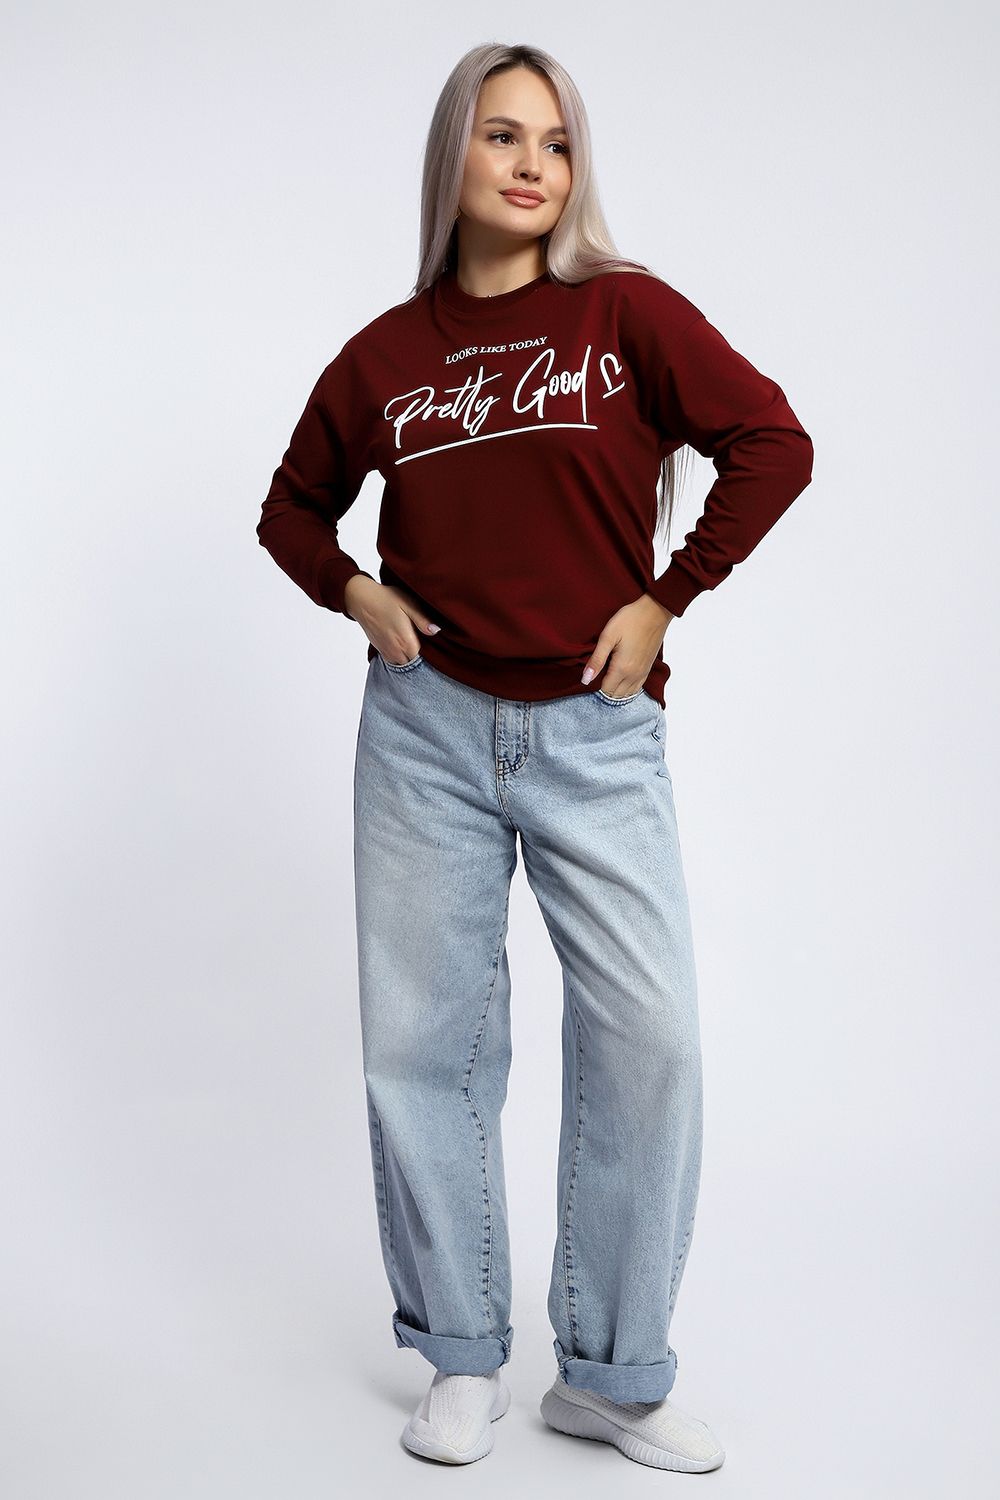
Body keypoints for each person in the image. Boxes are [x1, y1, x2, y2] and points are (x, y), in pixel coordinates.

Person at [256, 42, 813, 1472]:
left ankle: (612, 1375)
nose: (531, 165)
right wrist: (357, 593)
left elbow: (773, 440)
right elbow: (291, 511)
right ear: (453, 152)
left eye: (556, 144)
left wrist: (667, 597)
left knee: (650, 1040)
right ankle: (460, 1355)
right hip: (425, 731)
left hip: (594, 729)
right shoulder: (385, 355)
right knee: (424, 1047)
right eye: (503, 135)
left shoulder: (625, 314)